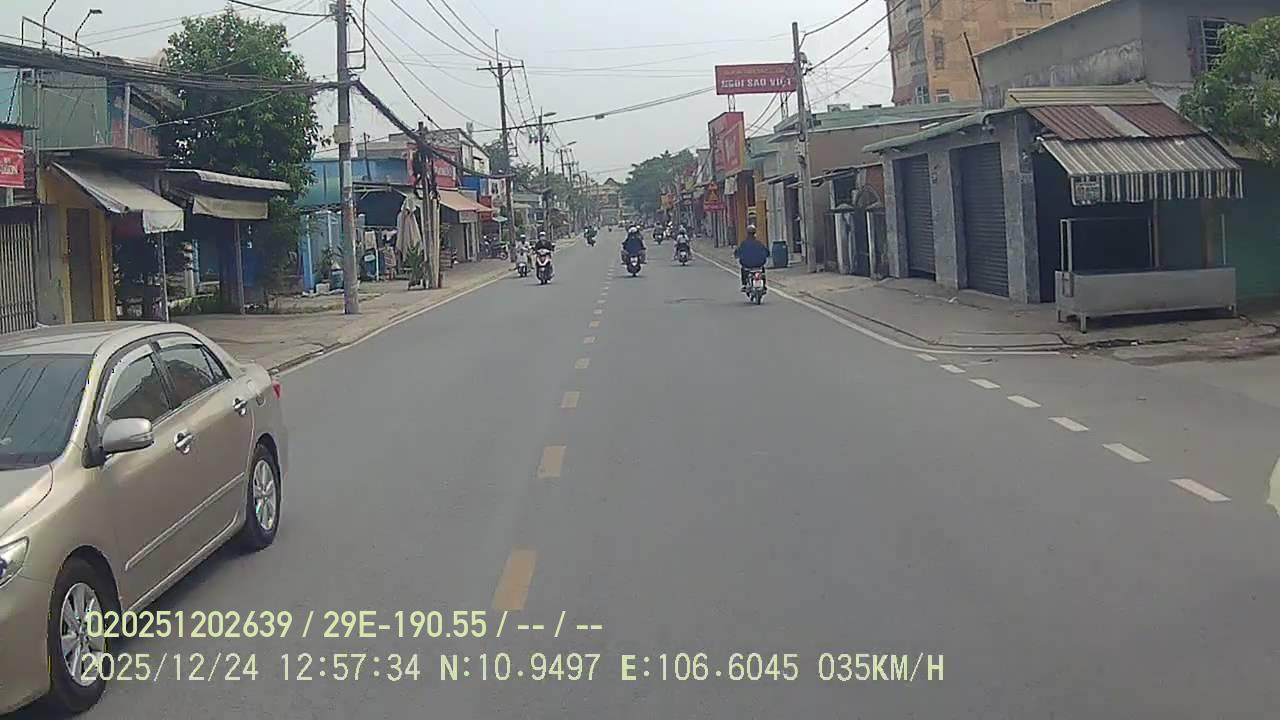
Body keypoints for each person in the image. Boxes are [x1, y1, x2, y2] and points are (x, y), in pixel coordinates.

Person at [734, 224, 769, 289]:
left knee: (743, 269)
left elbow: (737, 252)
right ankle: (764, 284)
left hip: (747, 265)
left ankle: (744, 284)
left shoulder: (744, 244)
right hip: (759, 264)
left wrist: (737, 255)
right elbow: (766, 252)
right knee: (762, 270)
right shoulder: (759, 243)